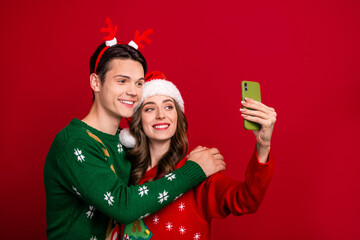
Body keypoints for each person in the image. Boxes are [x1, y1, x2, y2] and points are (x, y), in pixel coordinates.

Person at [43, 19, 225, 240]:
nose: (132, 92)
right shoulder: (74, 143)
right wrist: (194, 170)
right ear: (95, 82)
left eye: (139, 83)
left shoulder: (125, 141)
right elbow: (123, 205)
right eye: (122, 81)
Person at [119, 71, 276, 240]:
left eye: (168, 107)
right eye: (149, 108)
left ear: (178, 117)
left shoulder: (199, 168)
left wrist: (263, 145)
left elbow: (245, 200)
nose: (161, 115)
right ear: (137, 120)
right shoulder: (121, 168)